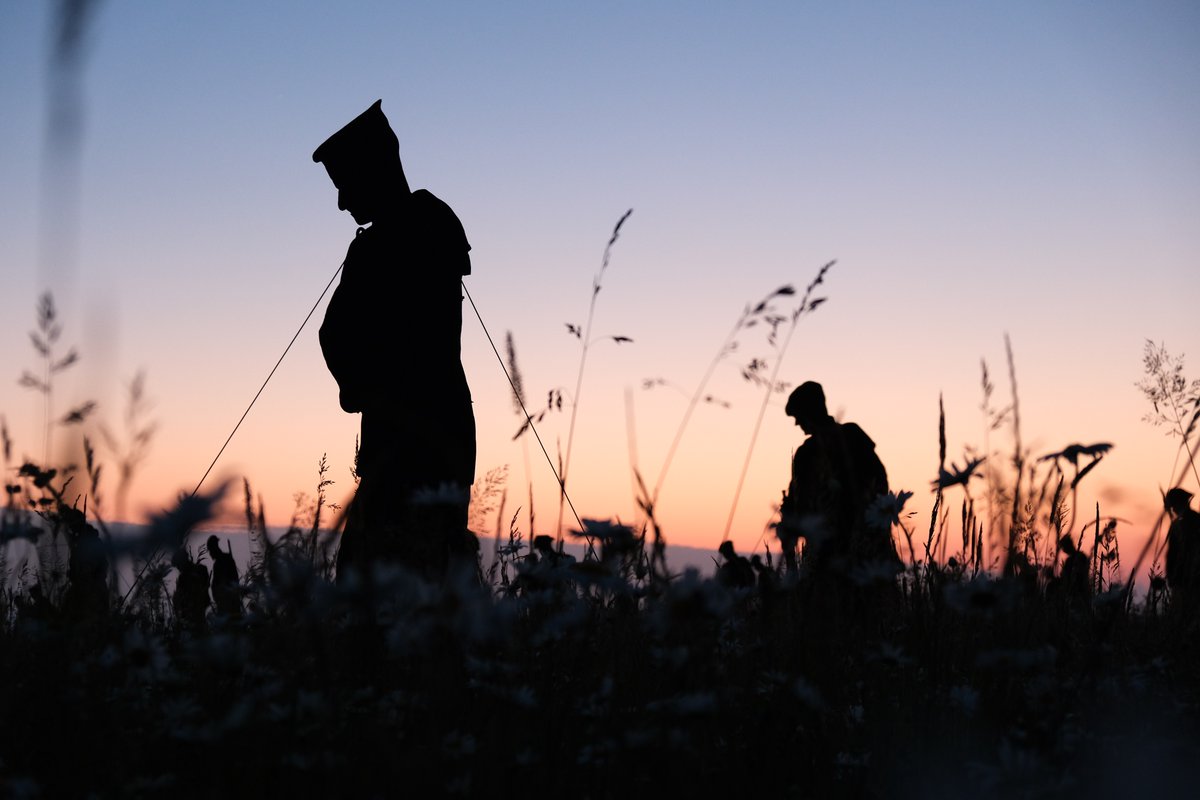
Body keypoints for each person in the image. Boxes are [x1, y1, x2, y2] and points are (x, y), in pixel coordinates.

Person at [313, 100, 477, 580]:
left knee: (381, 591)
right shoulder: (432, 224)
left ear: (374, 169)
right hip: (434, 442)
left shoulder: (390, 241)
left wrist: (363, 386)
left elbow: (337, 335)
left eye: (344, 185)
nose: (343, 202)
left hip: (409, 449)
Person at [780, 381, 895, 573]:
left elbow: (799, 502)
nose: (797, 423)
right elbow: (881, 482)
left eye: (798, 416)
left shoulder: (808, 453)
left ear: (809, 413)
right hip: (861, 546)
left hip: (838, 550)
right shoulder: (850, 436)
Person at [1165, 487, 1200, 605]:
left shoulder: (1177, 525)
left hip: (1184, 579)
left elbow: (1172, 554)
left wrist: (1171, 577)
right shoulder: (1197, 519)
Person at [206, 535, 241, 617]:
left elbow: (224, 582)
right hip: (227, 601)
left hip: (227, 603)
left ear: (213, 549)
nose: (210, 554)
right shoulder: (226, 559)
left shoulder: (221, 562)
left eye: (210, 551)